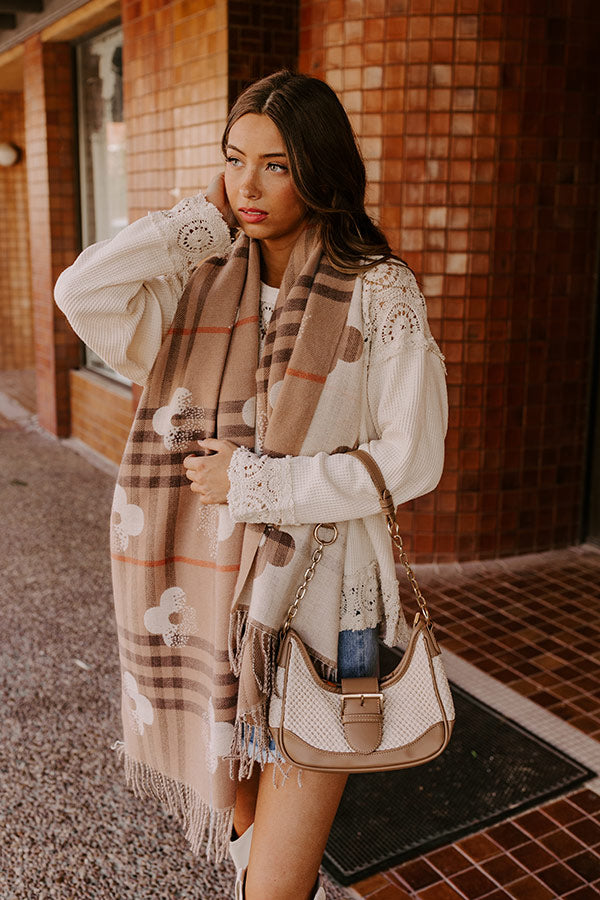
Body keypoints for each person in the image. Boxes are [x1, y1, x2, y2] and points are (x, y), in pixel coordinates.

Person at [54, 70, 448, 900]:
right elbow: (80, 291)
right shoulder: (196, 281)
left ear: (320, 168)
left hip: (330, 609)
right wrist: (198, 220)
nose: (249, 186)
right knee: (247, 841)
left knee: (277, 883)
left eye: (277, 165)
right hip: (207, 605)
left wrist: (258, 485)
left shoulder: (377, 287)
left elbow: (413, 457)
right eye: (235, 160)